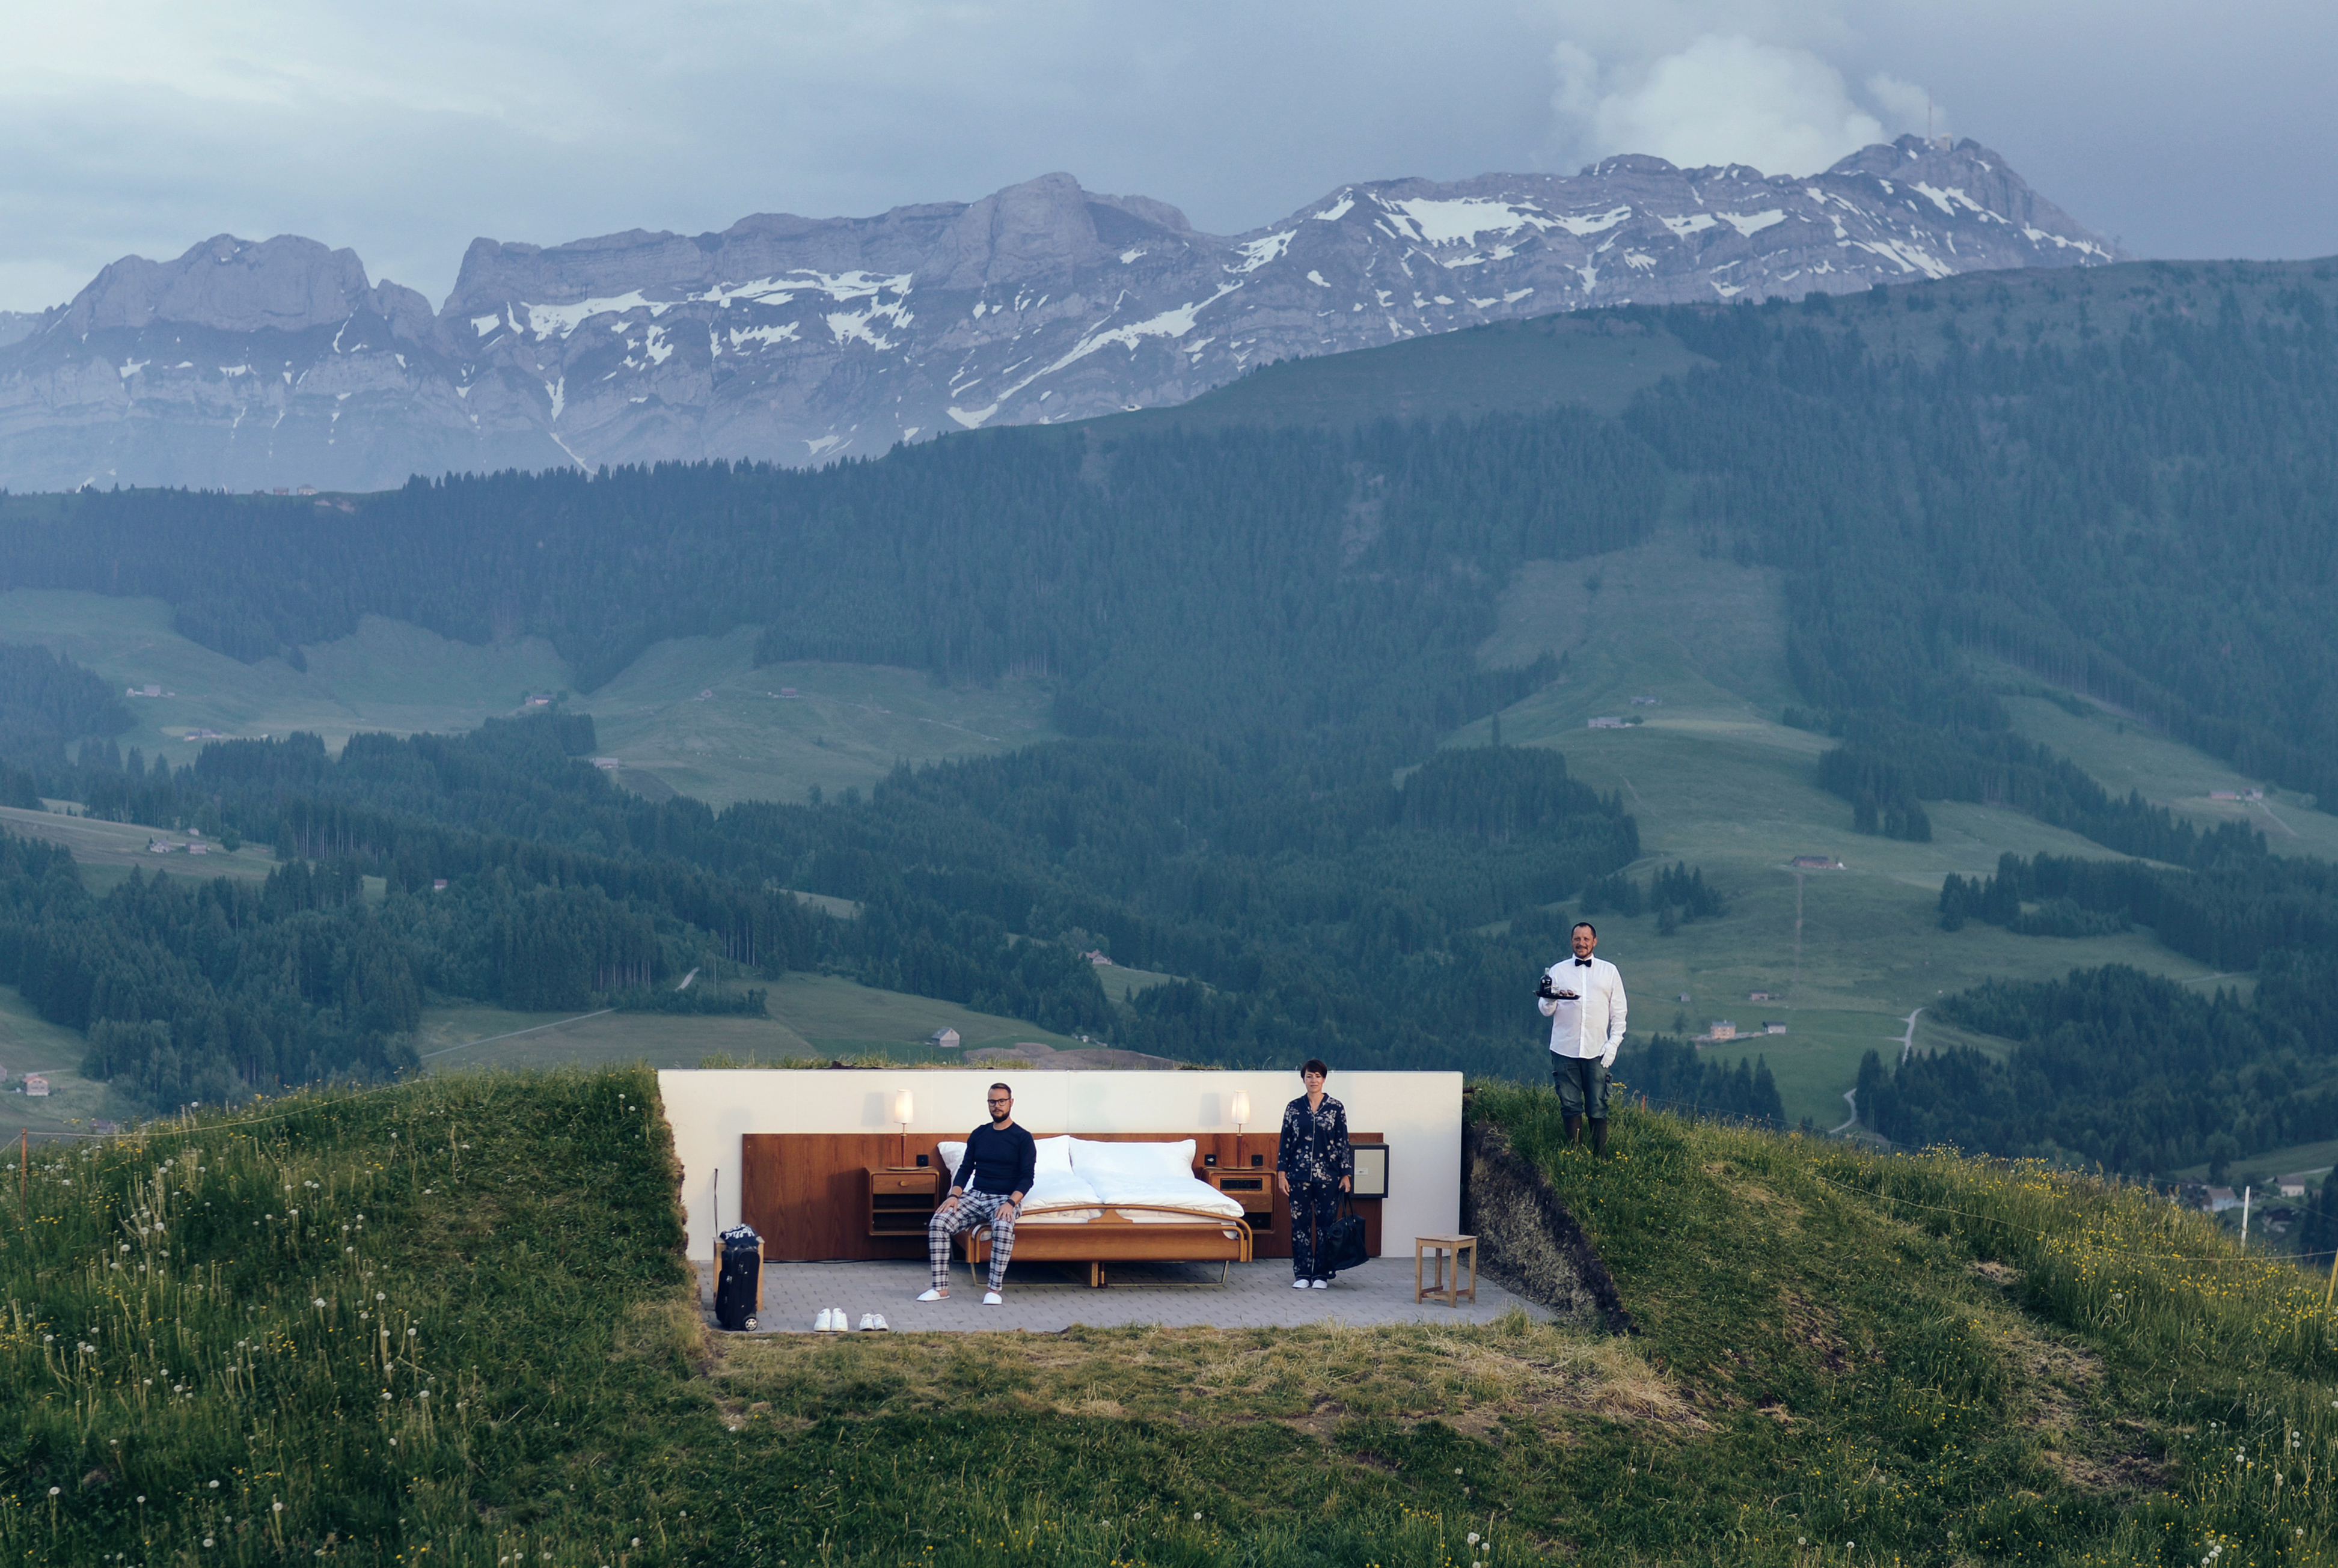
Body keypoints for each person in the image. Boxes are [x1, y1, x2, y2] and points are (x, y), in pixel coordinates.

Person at [919, 1082, 1035, 1305]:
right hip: (977, 1194)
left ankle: (993, 1290)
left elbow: (1027, 1178)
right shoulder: (979, 1134)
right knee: (938, 1222)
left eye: (1002, 1101)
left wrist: (1011, 1203)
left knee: (1003, 1225)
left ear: (1011, 1103)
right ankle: (940, 1289)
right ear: (988, 1104)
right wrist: (954, 1195)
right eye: (993, 1102)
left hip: (1005, 1198)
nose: (997, 1106)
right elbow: (965, 1169)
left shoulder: (1023, 1138)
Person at [1539, 920, 1627, 1158]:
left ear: (1595, 942)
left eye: (1586, 939)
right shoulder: (1558, 971)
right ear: (1571, 942)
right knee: (1569, 1104)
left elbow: (1619, 1013)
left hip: (1597, 1050)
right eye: (1577, 939)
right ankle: (1575, 1155)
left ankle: (1601, 1156)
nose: (1582, 943)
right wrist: (1548, 999)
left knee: (1598, 1105)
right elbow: (1546, 1010)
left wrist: (1613, 1044)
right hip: (1564, 1048)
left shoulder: (1609, 971)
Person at [1276, 1058, 1353, 1289]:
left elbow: (1343, 1142)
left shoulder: (1336, 1108)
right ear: (1303, 1079)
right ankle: (1302, 1274)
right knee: (1299, 1225)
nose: (1314, 1080)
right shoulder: (1294, 1108)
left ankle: (1321, 1274)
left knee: (1325, 1226)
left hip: (1328, 1177)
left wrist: (1346, 1174)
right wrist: (1282, 1174)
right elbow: (1285, 1142)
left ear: (1324, 1079)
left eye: (1318, 1076)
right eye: (1310, 1076)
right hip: (1298, 1176)